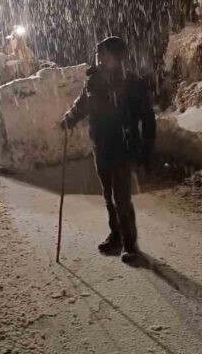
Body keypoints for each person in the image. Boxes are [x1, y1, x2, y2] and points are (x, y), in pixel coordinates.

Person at [61, 36, 155, 263]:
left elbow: (148, 119)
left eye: (104, 55)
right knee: (108, 196)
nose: (100, 59)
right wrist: (70, 118)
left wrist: (145, 150)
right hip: (100, 146)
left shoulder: (132, 83)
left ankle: (130, 244)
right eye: (98, 54)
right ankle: (116, 235)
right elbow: (82, 104)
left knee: (121, 198)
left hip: (123, 147)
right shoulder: (92, 82)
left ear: (118, 58)